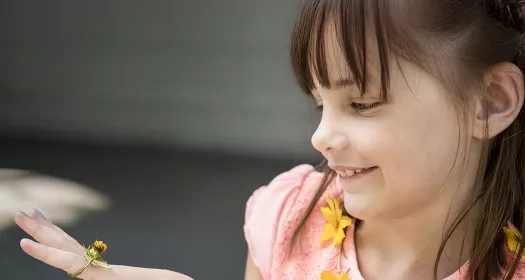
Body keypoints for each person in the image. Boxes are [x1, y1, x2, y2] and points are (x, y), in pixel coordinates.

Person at [12, 0, 525, 279]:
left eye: (363, 104)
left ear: (490, 101)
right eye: (319, 103)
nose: (322, 136)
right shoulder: (288, 220)